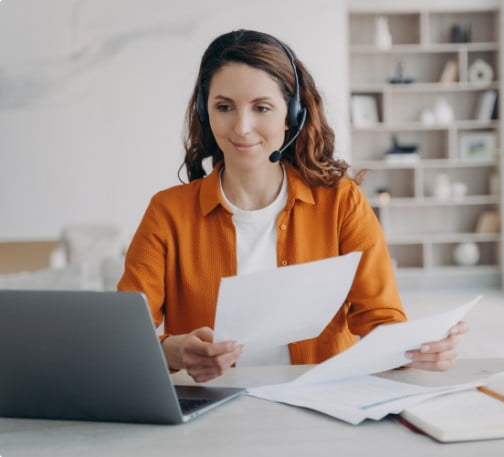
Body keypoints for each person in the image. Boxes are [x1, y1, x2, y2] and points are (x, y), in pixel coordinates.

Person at [118, 29, 467, 383]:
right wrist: (170, 351)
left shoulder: (341, 203)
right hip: (212, 411)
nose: (242, 127)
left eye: (262, 108)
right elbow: (124, 338)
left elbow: (381, 321)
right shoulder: (167, 212)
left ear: (292, 115)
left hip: (322, 405)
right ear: (205, 112)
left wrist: (418, 349)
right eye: (224, 107)